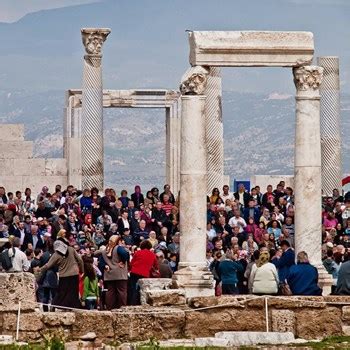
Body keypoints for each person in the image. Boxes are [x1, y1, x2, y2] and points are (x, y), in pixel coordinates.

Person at [40, 229, 84, 309]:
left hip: (64, 275)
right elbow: (80, 260)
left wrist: (39, 270)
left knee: (62, 293)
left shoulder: (56, 254)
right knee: (73, 292)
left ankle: (56, 306)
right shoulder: (71, 249)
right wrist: (81, 270)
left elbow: (48, 265)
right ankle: (73, 307)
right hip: (74, 273)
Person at [97, 235, 129, 309]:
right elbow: (125, 254)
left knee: (110, 292)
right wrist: (123, 262)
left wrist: (105, 266)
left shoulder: (105, 250)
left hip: (109, 275)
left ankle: (110, 308)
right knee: (121, 292)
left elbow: (101, 262)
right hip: (120, 274)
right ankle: (122, 308)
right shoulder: (118, 248)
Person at [129, 240, 158, 305]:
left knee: (133, 289)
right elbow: (156, 266)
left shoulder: (138, 253)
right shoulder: (153, 255)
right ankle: (141, 303)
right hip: (145, 274)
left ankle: (133, 303)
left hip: (134, 272)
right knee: (142, 290)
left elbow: (131, 264)